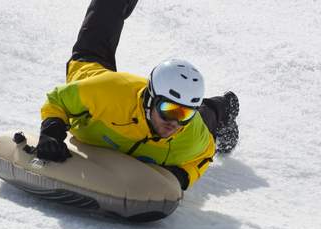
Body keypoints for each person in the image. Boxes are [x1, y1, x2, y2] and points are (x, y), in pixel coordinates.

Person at [36, 0, 239, 191]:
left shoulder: (190, 132)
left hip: (130, 101)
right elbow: (58, 98)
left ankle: (225, 106)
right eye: (168, 110)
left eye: (184, 114)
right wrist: (51, 132)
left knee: (207, 118)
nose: (174, 123)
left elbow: (204, 154)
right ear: (151, 100)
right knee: (103, 19)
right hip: (100, 78)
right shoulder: (108, 92)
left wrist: (181, 176)